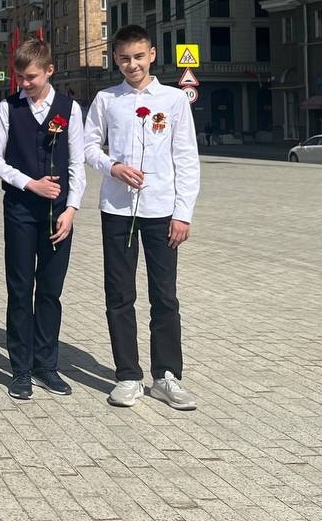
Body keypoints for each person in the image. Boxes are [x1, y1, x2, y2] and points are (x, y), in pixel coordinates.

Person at [84, 24, 200, 411]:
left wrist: (183, 213)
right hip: (117, 210)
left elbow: (186, 158)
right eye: (124, 58)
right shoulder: (106, 99)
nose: (132, 64)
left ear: (152, 54)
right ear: (115, 60)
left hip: (161, 210)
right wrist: (112, 166)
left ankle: (166, 376)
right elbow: (87, 146)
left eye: (138, 56)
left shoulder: (174, 100)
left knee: (164, 296)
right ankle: (128, 375)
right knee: (119, 295)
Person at [0, 37, 85, 402]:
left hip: (59, 213)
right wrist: (29, 183)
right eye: (20, 77)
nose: (25, 83)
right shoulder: (7, 109)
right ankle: (21, 369)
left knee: (49, 289)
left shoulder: (69, 109)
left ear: (49, 71)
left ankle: (47, 365)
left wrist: (71, 209)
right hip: (20, 209)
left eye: (31, 77)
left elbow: (76, 163)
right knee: (19, 289)